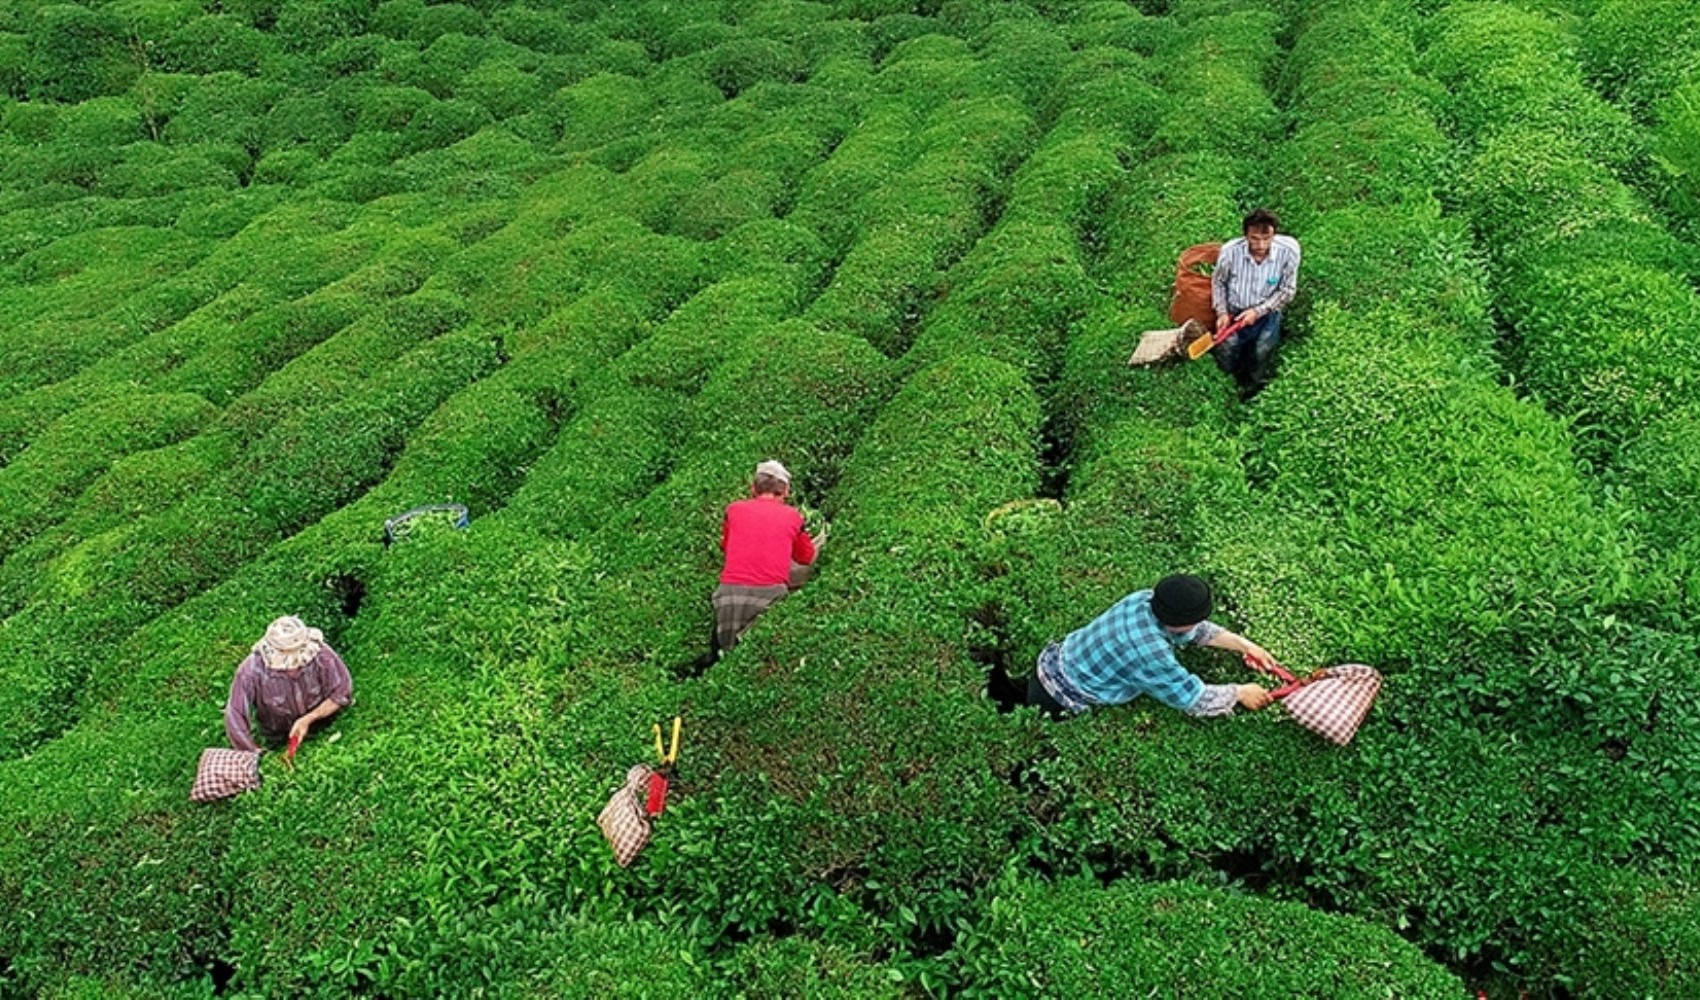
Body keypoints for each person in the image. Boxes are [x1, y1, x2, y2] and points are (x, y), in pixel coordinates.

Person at [988, 574, 1277, 720]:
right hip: (1061, 695)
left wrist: (1245, 646)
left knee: (1015, 693)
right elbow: (1191, 698)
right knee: (1027, 718)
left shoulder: (1143, 599)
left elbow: (1196, 630)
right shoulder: (1149, 653)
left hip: (1052, 662)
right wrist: (1240, 692)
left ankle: (999, 690)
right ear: (1181, 622)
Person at [712, 459, 821, 654]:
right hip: (770, 595)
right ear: (786, 491)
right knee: (757, 655)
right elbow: (806, 557)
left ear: (753, 488)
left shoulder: (733, 510)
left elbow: (726, 547)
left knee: (728, 656)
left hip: (728, 595)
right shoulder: (793, 516)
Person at [224, 616, 353, 753]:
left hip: (323, 724)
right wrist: (252, 751)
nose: (294, 668)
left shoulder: (321, 654)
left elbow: (342, 691)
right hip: (277, 736)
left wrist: (309, 719)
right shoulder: (251, 671)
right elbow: (235, 714)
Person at [1212, 208, 1301, 399]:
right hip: (1234, 310)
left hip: (1268, 312)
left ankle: (1251, 388)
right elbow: (1218, 282)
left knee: (1262, 350)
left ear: (1274, 235)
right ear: (1245, 236)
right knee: (1228, 349)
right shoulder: (1229, 253)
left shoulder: (1289, 252)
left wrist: (1258, 311)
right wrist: (1222, 312)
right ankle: (1225, 387)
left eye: (1266, 238)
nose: (1261, 245)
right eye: (1254, 239)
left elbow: (1287, 291)